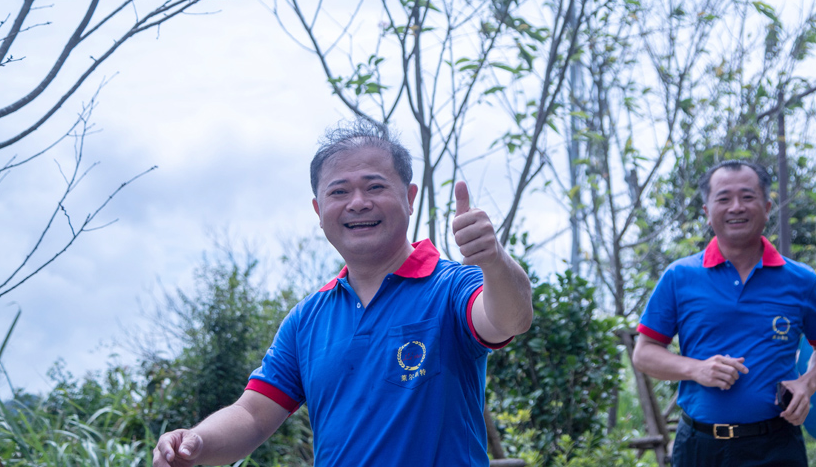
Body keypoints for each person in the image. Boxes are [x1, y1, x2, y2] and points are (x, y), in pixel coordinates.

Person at [151, 121, 535, 466]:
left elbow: (510, 318)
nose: (357, 202)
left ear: (410, 196)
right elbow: (252, 415)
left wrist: (494, 260)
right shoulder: (307, 320)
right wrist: (196, 441)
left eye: (375, 186)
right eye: (339, 191)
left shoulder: (451, 287)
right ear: (319, 210)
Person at [633, 160, 816, 467]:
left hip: (776, 446)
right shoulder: (679, 276)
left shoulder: (802, 280)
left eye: (747, 197)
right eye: (723, 198)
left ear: (767, 207)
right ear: (707, 213)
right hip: (699, 448)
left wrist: (807, 383)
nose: (736, 207)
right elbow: (644, 353)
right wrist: (696, 369)